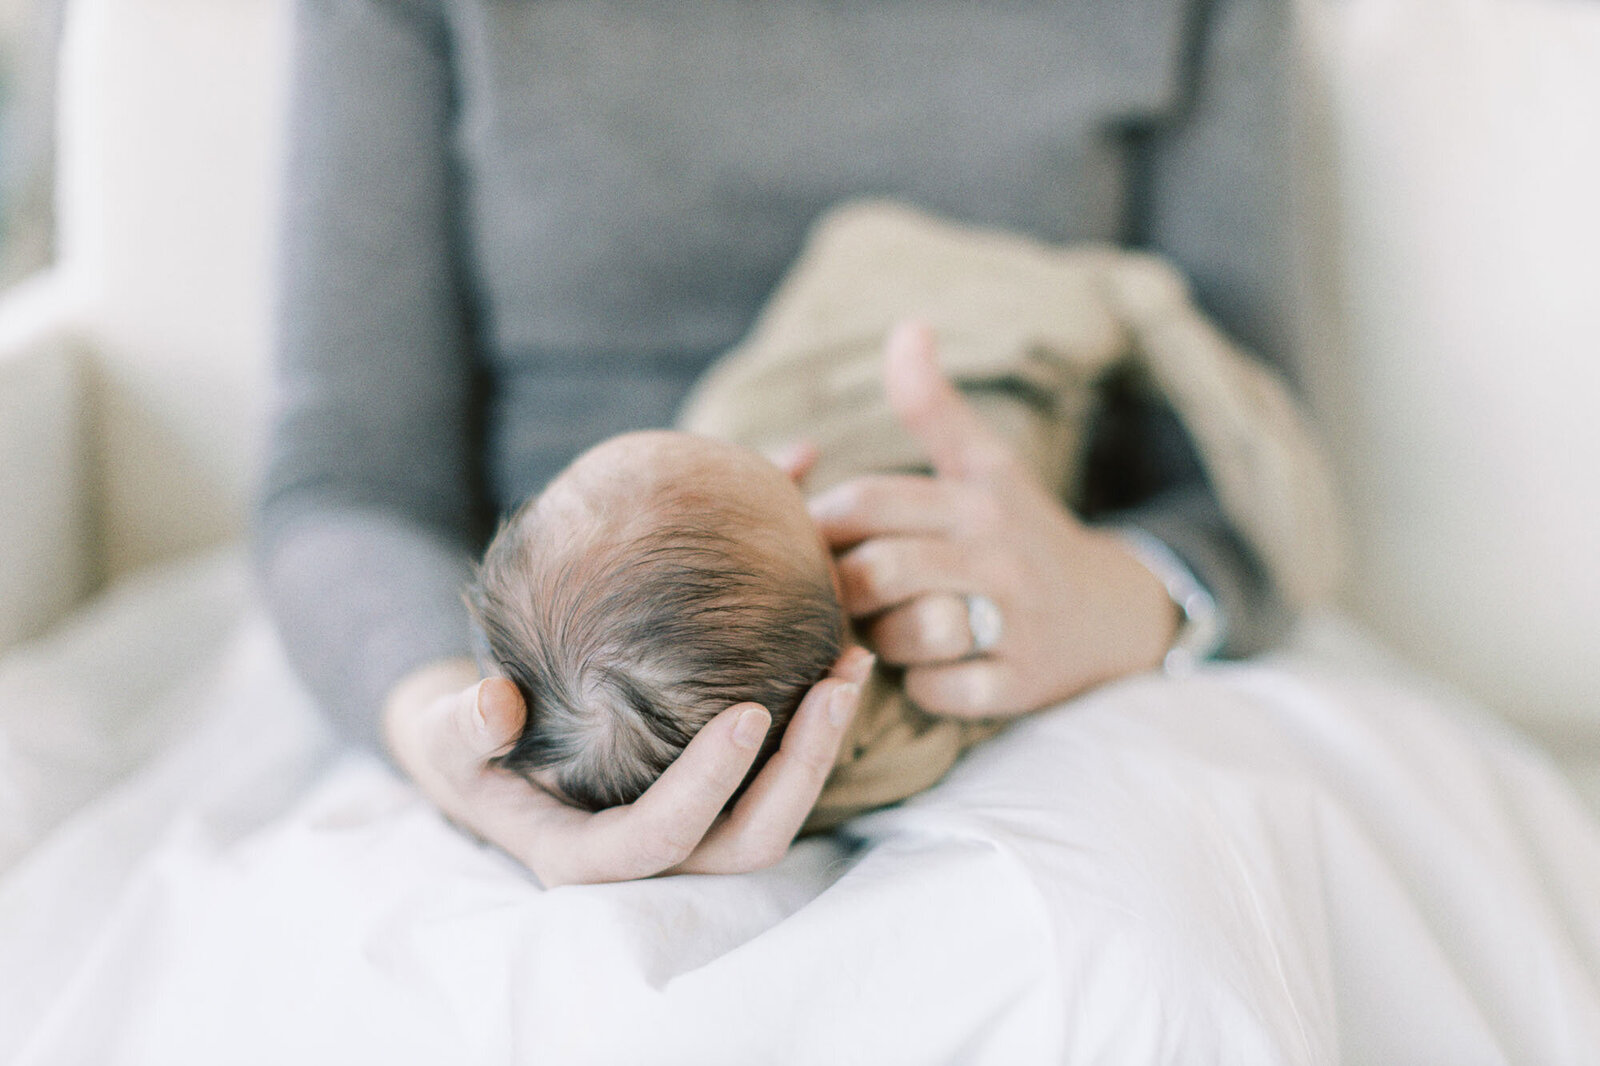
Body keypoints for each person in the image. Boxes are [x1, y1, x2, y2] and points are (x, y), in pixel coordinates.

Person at [259, 0, 1303, 886]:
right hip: (492, 677)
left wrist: (1128, 596)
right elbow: (346, 482)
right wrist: (453, 736)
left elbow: (1254, 444)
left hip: (1053, 635)